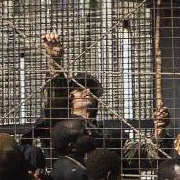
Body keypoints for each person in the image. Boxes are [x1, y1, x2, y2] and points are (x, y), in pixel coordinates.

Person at [36, 33, 169, 172]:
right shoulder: (58, 125)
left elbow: (149, 158)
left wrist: (160, 131)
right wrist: (55, 61)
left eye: (91, 89)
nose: (87, 90)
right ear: (69, 96)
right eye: (80, 88)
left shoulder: (110, 136)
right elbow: (54, 98)